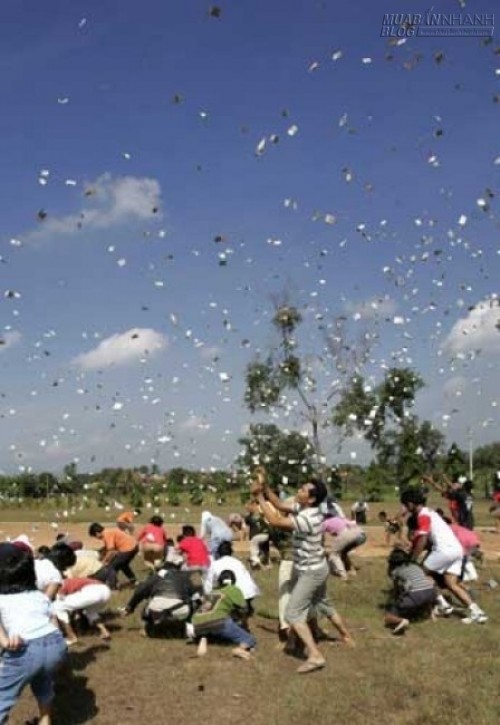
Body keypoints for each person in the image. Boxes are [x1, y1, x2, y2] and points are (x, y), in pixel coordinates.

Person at [251, 472, 354, 674]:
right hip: (315, 567)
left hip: (310, 572)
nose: (298, 491)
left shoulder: (308, 517)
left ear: (312, 499)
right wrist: (265, 488)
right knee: (323, 603)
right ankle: (346, 635)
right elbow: (280, 505)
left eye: (303, 490)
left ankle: (315, 656)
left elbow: (275, 520)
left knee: (292, 613)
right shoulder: (306, 508)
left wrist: (259, 497)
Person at [0, 543, 67, 725]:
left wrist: (5, 642)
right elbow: (52, 620)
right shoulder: (39, 596)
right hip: (56, 644)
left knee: (3, 695)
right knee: (43, 681)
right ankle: (45, 719)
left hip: (25, 649)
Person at [400, 488, 487, 624]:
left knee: (420, 575)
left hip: (444, 550)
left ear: (410, 504)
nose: (405, 508)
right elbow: (428, 540)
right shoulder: (431, 513)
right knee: (451, 584)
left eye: (405, 505)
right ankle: (477, 612)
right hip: (457, 550)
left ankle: (443, 605)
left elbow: (423, 539)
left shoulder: (422, 515)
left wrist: (412, 560)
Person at [191, 570, 256, 660]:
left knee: (210, 625)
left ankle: (203, 639)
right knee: (250, 639)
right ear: (233, 580)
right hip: (218, 622)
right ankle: (239, 649)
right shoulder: (233, 589)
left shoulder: (214, 591)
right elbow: (244, 608)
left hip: (196, 623)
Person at [384, 548, 437, 634]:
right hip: (431, 592)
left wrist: (395, 601)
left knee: (389, 615)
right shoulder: (415, 566)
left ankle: (402, 620)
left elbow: (396, 590)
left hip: (417, 595)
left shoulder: (396, 571)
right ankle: (432, 614)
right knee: (423, 588)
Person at [209, 541, 260, 624]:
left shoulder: (215, 564)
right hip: (249, 593)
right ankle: (244, 611)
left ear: (218, 553)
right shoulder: (238, 562)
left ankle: (237, 615)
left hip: (235, 595)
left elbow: (209, 583)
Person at [52, 578, 112, 645]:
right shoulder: (70, 581)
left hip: (93, 591)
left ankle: (71, 637)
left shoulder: (58, 584)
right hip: (106, 591)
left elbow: (60, 599)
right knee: (90, 612)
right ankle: (104, 632)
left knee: (57, 606)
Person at [88, 523, 138, 588]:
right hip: (134, 546)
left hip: (128, 548)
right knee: (123, 564)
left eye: (95, 536)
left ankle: (113, 586)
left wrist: (103, 561)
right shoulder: (109, 531)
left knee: (111, 566)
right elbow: (107, 548)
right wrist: (99, 552)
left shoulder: (107, 534)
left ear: (97, 533)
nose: (96, 538)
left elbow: (111, 551)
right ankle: (133, 581)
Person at [322, 514, 366, 580]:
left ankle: (343, 575)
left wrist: (320, 545)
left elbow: (320, 535)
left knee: (333, 554)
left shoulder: (325, 522)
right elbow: (353, 523)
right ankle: (351, 571)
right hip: (361, 535)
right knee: (343, 552)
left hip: (346, 534)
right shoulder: (340, 518)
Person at [245, 500, 271, 569]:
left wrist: (247, 537)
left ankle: (261, 566)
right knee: (265, 549)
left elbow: (247, 529)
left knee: (254, 551)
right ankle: (269, 563)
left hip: (255, 536)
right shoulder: (262, 514)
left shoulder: (248, 517)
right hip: (266, 535)